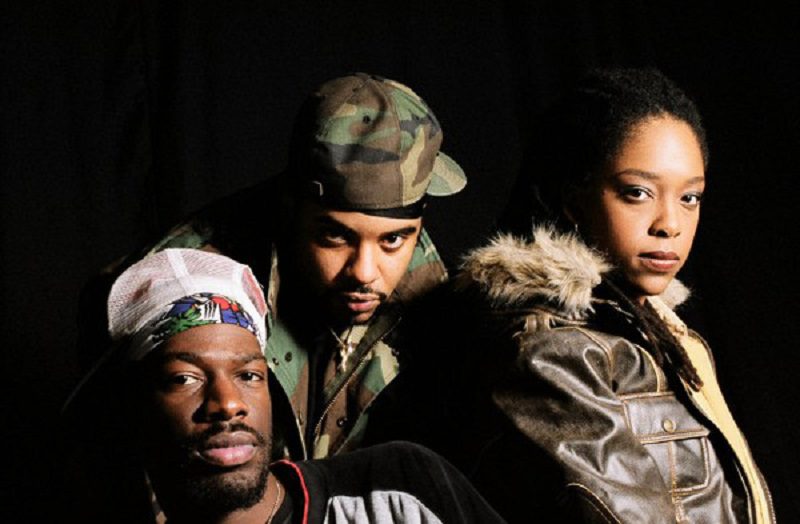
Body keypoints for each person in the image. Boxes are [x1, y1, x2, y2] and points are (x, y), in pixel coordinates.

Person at [395, 68, 773, 523]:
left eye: (689, 198)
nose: (669, 224)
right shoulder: (552, 348)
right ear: (575, 201)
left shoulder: (658, 331)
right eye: (638, 193)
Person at [76, 72, 467, 462]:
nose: (364, 272)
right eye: (335, 236)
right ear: (290, 205)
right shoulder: (186, 283)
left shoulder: (441, 301)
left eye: (393, 240)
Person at [73, 248, 505, 523]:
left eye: (248, 375)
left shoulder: (399, 488)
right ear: (134, 405)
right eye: (184, 378)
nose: (228, 404)